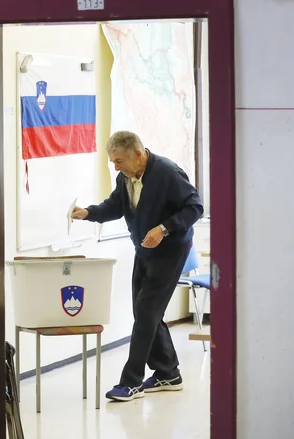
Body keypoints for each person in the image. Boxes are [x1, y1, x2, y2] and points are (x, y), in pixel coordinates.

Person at [72, 131, 203, 402]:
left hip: (171, 251)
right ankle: (168, 373)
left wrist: (164, 229)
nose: (116, 167)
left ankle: (130, 382)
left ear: (139, 154)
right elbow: (115, 206)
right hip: (144, 250)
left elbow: (195, 207)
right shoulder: (126, 177)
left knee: (145, 312)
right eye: (113, 162)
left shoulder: (167, 173)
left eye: (119, 161)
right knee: (145, 312)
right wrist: (88, 213)